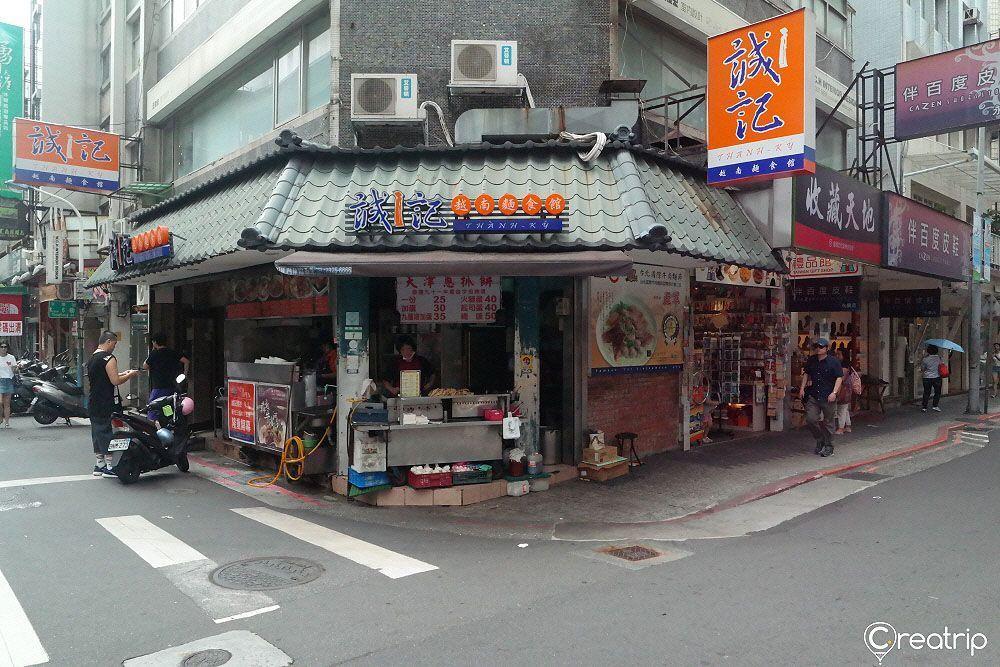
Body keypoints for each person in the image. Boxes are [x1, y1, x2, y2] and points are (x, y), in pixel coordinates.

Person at [88, 332, 140, 477]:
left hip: (94, 401)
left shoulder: (92, 358)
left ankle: (99, 464)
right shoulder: (108, 358)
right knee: (108, 431)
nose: (114, 347)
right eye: (114, 344)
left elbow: (105, 377)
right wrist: (130, 375)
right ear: (108, 342)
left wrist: (123, 373)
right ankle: (111, 466)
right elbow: (115, 381)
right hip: (107, 401)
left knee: (97, 431)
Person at [798, 338, 843, 457]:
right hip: (814, 395)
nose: (818, 349)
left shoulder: (833, 362)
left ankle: (829, 446)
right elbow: (806, 373)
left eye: (821, 347)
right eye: (817, 346)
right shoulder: (812, 360)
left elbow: (839, 377)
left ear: (827, 349)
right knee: (811, 419)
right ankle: (820, 439)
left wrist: (834, 392)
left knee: (829, 422)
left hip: (828, 396)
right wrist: (802, 388)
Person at [143, 333, 188, 420]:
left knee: (152, 408)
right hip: (171, 386)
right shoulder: (172, 352)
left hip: (158, 387)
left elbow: (145, 366)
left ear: (155, 342)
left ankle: (152, 426)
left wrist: (152, 352)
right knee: (167, 406)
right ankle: (168, 423)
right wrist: (185, 375)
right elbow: (186, 361)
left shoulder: (154, 354)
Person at [834, 350, 859, 435]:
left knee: (841, 409)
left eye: (839, 354)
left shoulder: (843, 368)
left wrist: (835, 391)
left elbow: (841, 379)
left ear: (844, 355)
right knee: (845, 409)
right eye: (836, 354)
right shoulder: (847, 366)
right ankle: (848, 426)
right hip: (847, 390)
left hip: (843, 390)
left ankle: (841, 428)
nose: (836, 356)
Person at [920, 344, 943, 413]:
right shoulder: (939, 358)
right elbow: (942, 366)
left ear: (928, 351)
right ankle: (935, 406)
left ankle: (924, 407)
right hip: (937, 377)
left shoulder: (925, 359)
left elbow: (922, 369)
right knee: (937, 392)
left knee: (926, 392)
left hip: (927, 377)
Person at [0, 341, 16, 428]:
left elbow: (14, 369)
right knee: (0, 402)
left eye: (5, 347)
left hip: (9, 380)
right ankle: (0, 417)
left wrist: (15, 368)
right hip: (0, 380)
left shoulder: (11, 357)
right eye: (1, 347)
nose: (3, 348)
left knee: (7, 403)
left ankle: (6, 422)